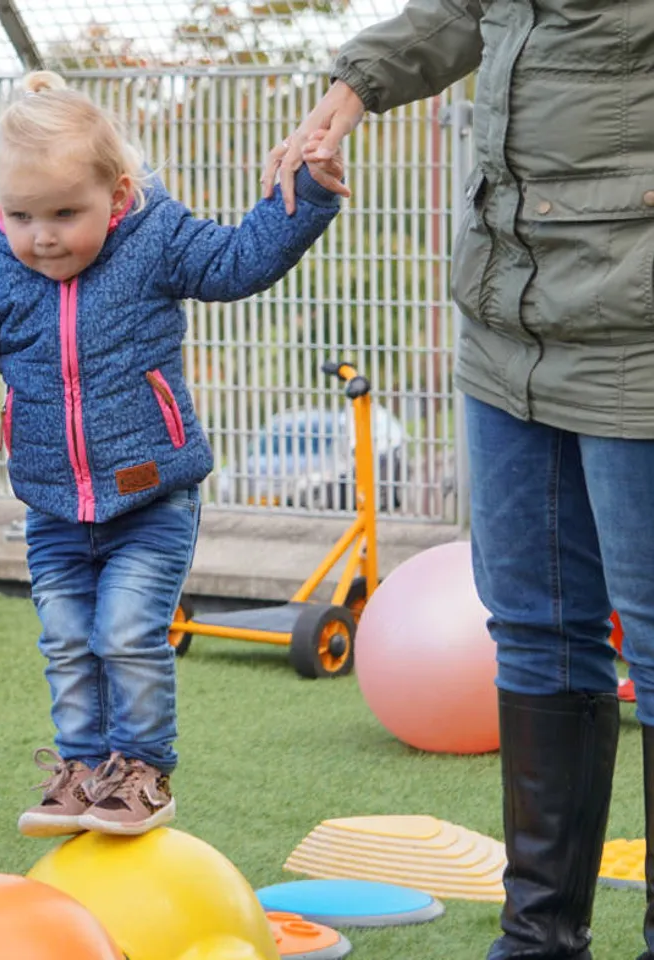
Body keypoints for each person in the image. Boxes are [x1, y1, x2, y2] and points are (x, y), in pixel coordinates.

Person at [0, 69, 345, 838]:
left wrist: (306, 196)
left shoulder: (155, 242)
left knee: (128, 632)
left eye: (66, 213)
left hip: (150, 494)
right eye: (21, 215)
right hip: (53, 503)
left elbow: (239, 261)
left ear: (118, 193)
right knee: (69, 640)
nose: (43, 235)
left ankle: (141, 771)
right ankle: (80, 769)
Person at [268, 2, 654, 958]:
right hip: (506, 318)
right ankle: (537, 941)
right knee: (534, 630)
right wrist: (348, 90)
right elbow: (463, 9)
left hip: (636, 336)